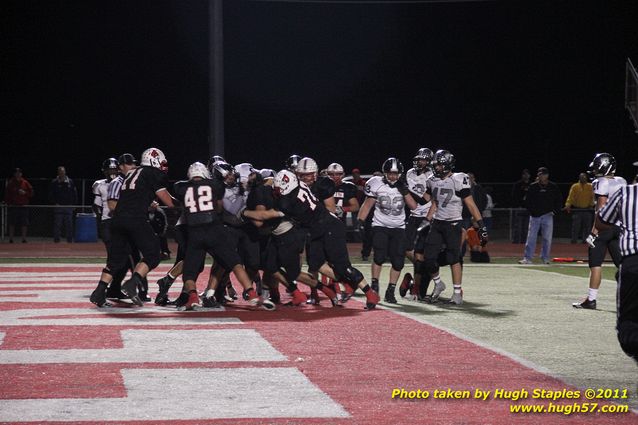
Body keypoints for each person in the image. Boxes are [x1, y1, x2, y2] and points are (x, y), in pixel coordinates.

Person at [90, 148, 175, 307]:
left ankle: (99, 292)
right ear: (154, 161)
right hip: (135, 219)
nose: (163, 166)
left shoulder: (130, 175)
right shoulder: (151, 173)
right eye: (161, 162)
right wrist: (185, 205)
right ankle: (132, 283)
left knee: (116, 260)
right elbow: (168, 201)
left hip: (118, 221)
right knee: (153, 255)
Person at [423, 149, 488, 305]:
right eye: (436, 165)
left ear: (447, 165)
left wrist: (481, 225)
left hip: (453, 223)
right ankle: (438, 284)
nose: (436, 167)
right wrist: (427, 219)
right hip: (437, 223)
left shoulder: (459, 179)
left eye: (439, 165)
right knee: (429, 257)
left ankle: (457, 293)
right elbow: (433, 202)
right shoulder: (432, 180)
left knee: (454, 258)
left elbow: (470, 204)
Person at [357, 157, 418, 303]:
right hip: (380, 225)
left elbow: (413, 206)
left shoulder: (405, 184)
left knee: (398, 262)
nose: (393, 177)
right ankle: (375, 285)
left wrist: (404, 191)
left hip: (398, 227)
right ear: (385, 173)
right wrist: (360, 221)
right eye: (390, 173)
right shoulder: (376, 183)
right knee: (379, 256)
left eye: (396, 174)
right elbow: (367, 204)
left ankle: (390, 290)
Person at [573, 153, 626, 309]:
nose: (595, 170)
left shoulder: (600, 182)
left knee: (595, 264)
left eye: (597, 166)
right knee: (623, 265)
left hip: (604, 228)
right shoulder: (622, 181)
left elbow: (601, 210)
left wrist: (594, 232)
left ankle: (591, 299)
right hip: (619, 227)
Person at [596, 176, 638, 364]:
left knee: (627, 324)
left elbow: (601, 220)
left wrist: (622, 224)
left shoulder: (625, 192)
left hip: (633, 261)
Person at [518, 167, 563, 264]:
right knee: (531, 238)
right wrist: (532, 211)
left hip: (548, 215)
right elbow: (527, 201)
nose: (541, 176)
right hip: (535, 216)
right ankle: (527, 258)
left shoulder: (553, 186)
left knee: (547, 238)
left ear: (547, 175)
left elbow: (559, 200)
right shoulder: (533, 186)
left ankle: (545, 258)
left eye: (543, 174)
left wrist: (555, 211)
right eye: (539, 174)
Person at [563, 172, 595, 244]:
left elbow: (593, 197)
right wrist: (568, 205)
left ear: (586, 178)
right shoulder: (575, 186)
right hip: (577, 209)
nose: (583, 178)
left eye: (584, 177)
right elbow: (570, 197)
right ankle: (574, 240)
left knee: (587, 227)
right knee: (576, 226)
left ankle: (586, 240)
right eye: (581, 177)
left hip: (587, 209)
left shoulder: (590, 186)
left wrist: (591, 205)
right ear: (579, 178)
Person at [48, 166, 77, 243]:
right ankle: (56, 240)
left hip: (68, 206)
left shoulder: (70, 181)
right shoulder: (54, 182)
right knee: (57, 225)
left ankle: (69, 240)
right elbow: (51, 194)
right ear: (58, 173)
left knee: (69, 225)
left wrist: (74, 204)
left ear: (65, 172)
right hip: (58, 206)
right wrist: (54, 203)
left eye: (63, 171)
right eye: (60, 172)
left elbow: (74, 194)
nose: (61, 173)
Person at [5, 168, 33, 243]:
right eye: (16, 172)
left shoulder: (25, 182)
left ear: (21, 174)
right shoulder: (11, 183)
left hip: (23, 206)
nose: (18, 174)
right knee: (12, 223)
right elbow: (7, 195)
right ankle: (11, 239)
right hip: (13, 206)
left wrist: (25, 193)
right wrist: (8, 204)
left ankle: (23, 239)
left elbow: (31, 193)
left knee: (24, 223)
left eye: (19, 172)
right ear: (14, 174)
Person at [511, 169, 531, 243]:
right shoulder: (518, 184)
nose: (526, 176)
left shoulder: (531, 185)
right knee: (518, 227)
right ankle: (516, 242)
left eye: (527, 174)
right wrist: (517, 205)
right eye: (524, 174)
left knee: (526, 227)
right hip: (519, 208)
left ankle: (525, 242)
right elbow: (514, 196)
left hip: (528, 209)